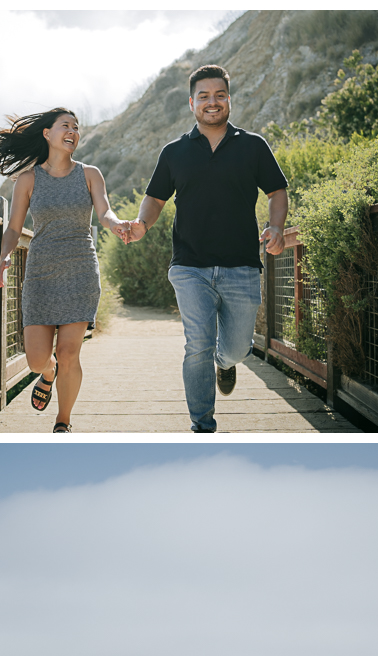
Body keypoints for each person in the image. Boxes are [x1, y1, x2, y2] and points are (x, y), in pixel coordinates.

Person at [125, 65, 289, 432]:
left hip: (242, 266)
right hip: (190, 266)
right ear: (191, 103)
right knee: (196, 343)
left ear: (229, 99)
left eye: (219, 95)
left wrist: (276, 226)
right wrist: (141, 225)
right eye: (203, 96)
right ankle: (202, 426)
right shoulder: (174, 152)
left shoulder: (253, 145)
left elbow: (278, 191)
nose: (211, 102)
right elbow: (154, 198)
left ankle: (225, 362)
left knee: (236, 349)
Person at [0, 108, 130, 432]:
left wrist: (117, 224)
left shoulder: (90, 174)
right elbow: (13, 228)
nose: (73, 131)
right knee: (37, 359)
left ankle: (63, 422)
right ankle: (47, 374)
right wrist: (4, 256)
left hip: (80, 271)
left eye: (76, 127)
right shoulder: (28, 179)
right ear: (47, 133)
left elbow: (104, 211)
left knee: (68, 352)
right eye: (66, 125)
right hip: (41, 275)